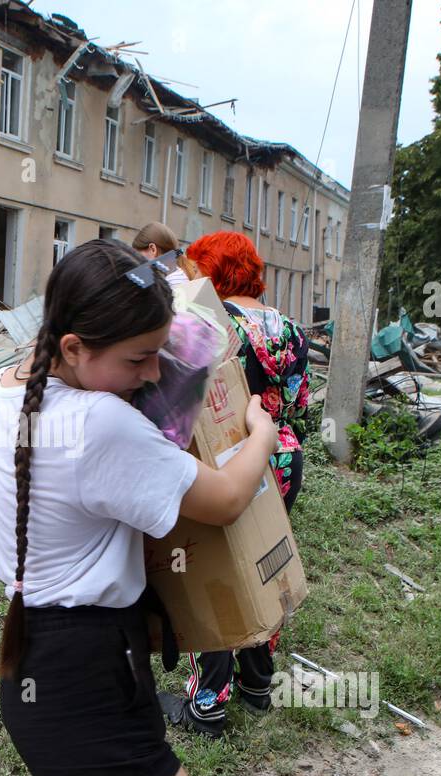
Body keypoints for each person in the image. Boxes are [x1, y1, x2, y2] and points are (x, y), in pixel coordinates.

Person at [0, 239, 278, 776]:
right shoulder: (101, 423)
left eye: (159, 353)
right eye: (139, 359)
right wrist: (261, 433)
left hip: (35, 673)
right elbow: (228, 499)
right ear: (75, 348)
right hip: (90, 688)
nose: (154, 373)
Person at [159, 230, 311, 737]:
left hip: (231, 454)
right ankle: (258, 684)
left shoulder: (217, 323)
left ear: (211, 270)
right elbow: (299, 403)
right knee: (269, 558)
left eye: (198, 267)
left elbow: (201, 399)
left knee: (220, 568)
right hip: (283, 453)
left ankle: (207, 704)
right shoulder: (290, 328)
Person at [130, 222, 198, 286]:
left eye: (139, 256)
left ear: (153, 249)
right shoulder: (180, 275)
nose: (138, 263)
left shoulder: (171, 284)